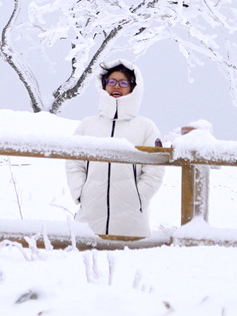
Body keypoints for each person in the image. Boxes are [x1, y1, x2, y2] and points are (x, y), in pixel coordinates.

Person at [66, 60, 164, 239]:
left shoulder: (146, 127)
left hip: (132, 222)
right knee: (86, 264)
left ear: (133, 87)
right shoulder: (87, 125)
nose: (116, 86)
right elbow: (74, 163)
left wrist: (138, 197)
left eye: (123, 82)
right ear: (103, 85)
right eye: (111, 82)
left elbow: (155, 170)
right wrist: (81, 192)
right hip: (89, 217)